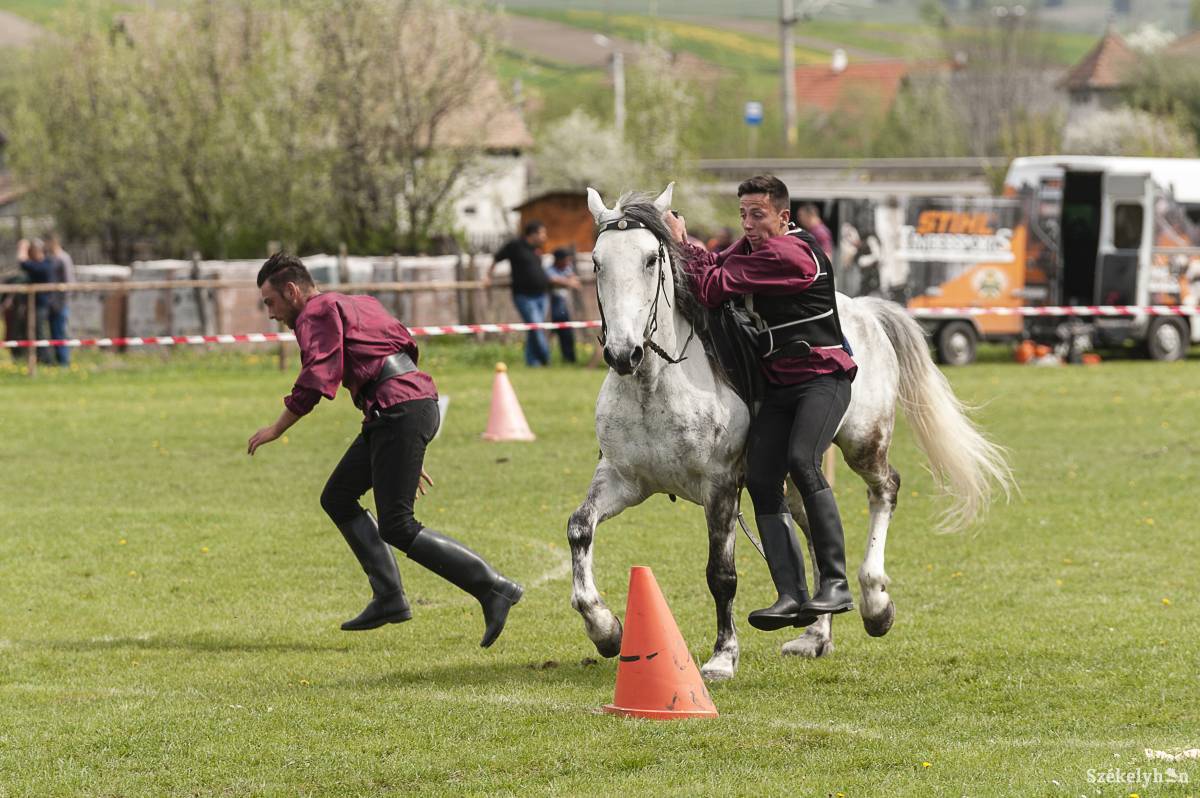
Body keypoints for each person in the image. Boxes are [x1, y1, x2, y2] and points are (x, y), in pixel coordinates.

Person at [246, 253, 522, 647]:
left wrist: (276, 427)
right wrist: (398, 446)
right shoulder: (359, 303)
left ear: (291, 291)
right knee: (338, 497)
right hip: (407, 406)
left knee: (398, 525)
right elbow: (404, 350)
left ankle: (493, 587)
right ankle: (389, 597)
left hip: (397, 412)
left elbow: (317, 377)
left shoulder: (316, 313)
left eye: (270, 302)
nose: (271, 314)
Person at [665, 175, 858, 632]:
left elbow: (711, 287)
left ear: (783, 217)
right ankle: (791, 594)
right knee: (762, 478)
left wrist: (681, 244)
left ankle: (835, 583)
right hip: (781, 385)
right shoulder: (754, 247)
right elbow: (712, 262)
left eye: (758, 215)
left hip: (822, 379)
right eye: (743, 215)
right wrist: (686, 243)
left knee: (801, 461)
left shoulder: (786, 253)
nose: (748, 224)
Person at [485, 220, 551, 367]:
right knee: (536, 327)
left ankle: (532, 361)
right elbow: (496, 257)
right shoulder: (515, 246)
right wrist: (488, 276)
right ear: (532, 234)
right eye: (542, 233)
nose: (544, 237)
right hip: (524, 296)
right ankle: (546, 359)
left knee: (534, 329)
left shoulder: (536, 249)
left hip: (542, 295)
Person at [17, 238, 57, 365]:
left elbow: (23, 263)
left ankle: (47, 361)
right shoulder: (42, 264)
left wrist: (22, 248)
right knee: (34, 332)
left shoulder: (45, 265)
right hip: (35, 304)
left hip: (42, 305)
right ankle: (37, 359)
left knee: (40, 332)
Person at [546, 246, 580, 363]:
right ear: (558, 260)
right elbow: (552, 280)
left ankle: (569, 359)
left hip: (564, 307)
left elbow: (574, 281)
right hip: (551, 307)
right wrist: (567, 282)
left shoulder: (566, 268)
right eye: (566, 260)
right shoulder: (549, 269)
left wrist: (564, 281)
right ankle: (545, 359)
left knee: (567, 334)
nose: (568, 262)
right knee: (548, 335)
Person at [45, 233, 73, 366]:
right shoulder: (51, 258)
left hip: (61, 303)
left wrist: (63, 302)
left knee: (61, 333)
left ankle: (64, 362)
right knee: (54, 334)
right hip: (51, 303)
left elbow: (69, 281)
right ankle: (57, 360)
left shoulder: (63, 258)